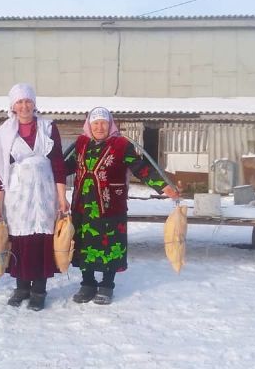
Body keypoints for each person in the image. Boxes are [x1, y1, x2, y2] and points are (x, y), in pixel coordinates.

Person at [65, 107, 179, 305]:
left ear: (110, 125)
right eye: (95, 123)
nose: (100, 127)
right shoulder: (81, 144)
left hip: (110, 207)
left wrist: (163, 186)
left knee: (109, 245)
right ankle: (88, 283)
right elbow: (64, 167)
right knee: (84, 244)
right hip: (82, 206)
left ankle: (107, 285)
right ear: (89, 125)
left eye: (104, 123)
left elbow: (140, 168)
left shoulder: (121, 145)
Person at [0, 83, 69, 311]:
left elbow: (59, 165)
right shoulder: (4, 132)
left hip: (44, 191)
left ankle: (39, 290)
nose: (24, 106)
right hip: (17, 195)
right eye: (19, 102)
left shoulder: (48, 128)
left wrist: (62, 197)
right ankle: (21, 287)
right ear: (12, 106)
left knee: (41, 237)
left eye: (28, 101)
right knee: (20, 239)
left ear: (34, 103)